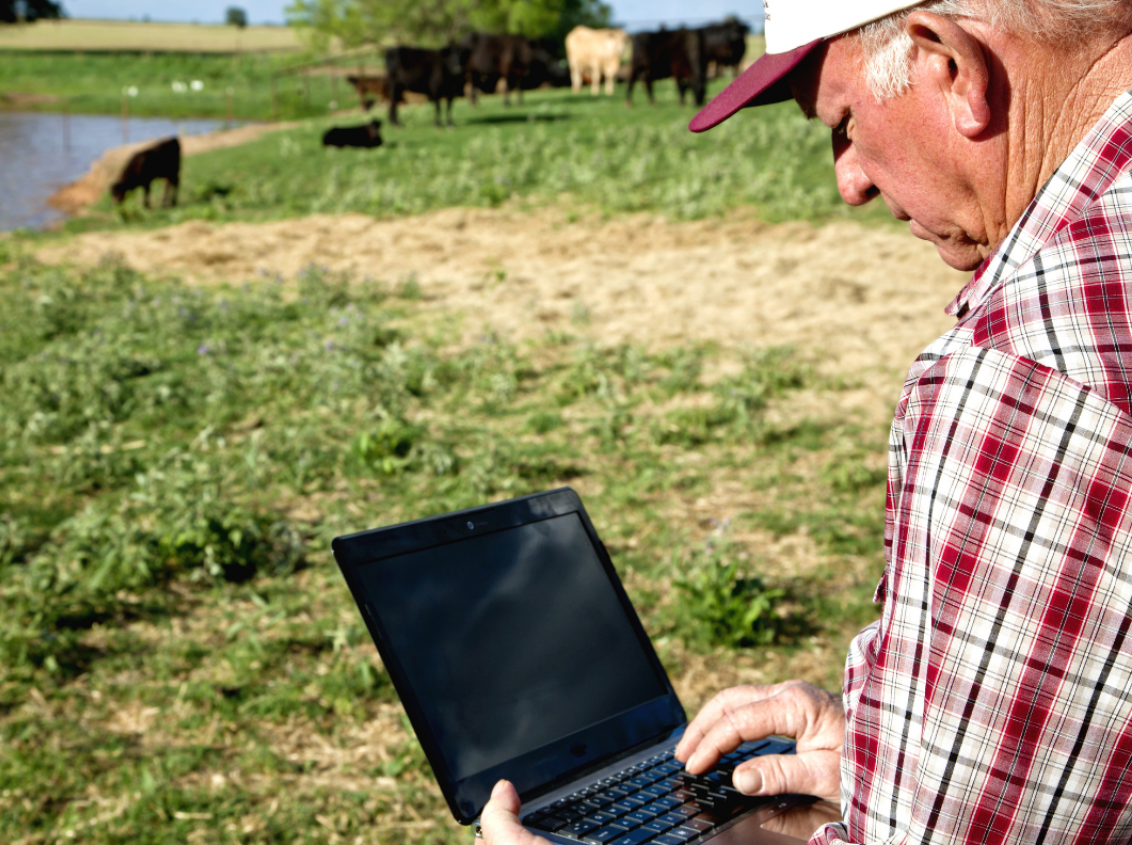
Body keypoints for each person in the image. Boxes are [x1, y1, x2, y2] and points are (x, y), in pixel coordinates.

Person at [483, 0, 1132, 842]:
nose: (849, 180)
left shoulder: (1028, 374)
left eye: (845, 122)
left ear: (951, 66)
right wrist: (890, 752)